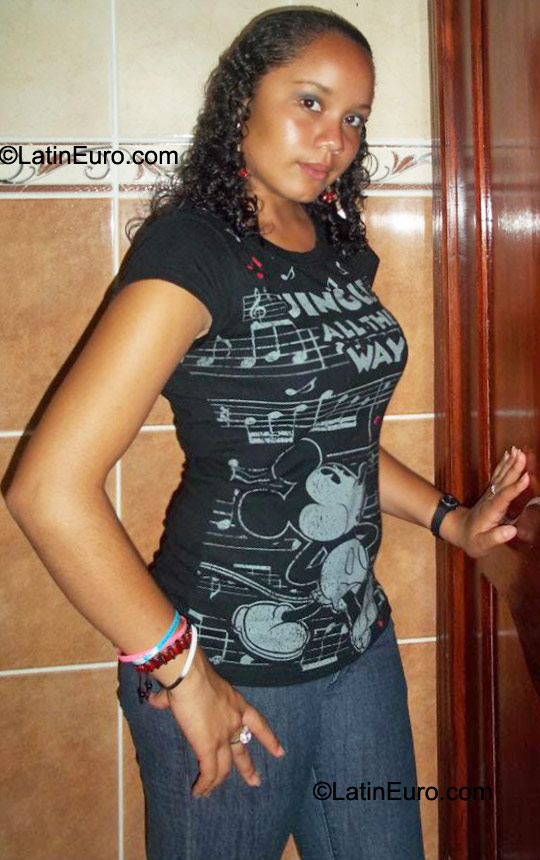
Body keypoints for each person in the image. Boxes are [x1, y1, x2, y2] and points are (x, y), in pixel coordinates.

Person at [5, 6, 529, 860]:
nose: (335, 139)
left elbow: (336, 443)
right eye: (310, 102)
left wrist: (452, 520)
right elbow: (47, 489)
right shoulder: (193, 250)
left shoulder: (338, 247)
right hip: (224, 664)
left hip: (357, 647)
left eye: (354, 117)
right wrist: (181, 670)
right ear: (243, 99)